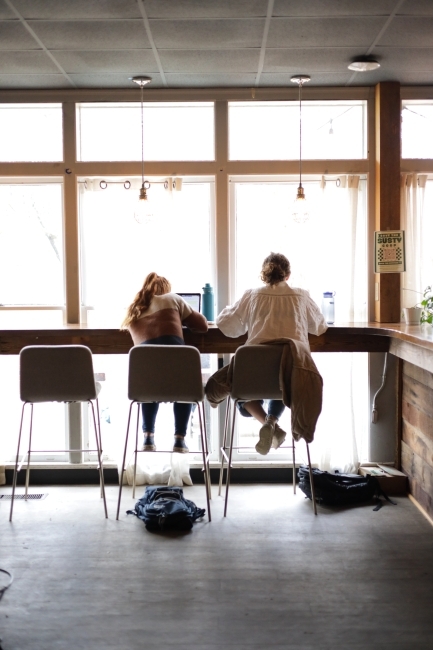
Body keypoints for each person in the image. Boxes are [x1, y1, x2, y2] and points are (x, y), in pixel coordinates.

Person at [205, 252, 327, 455]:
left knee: (238, 381)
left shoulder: (252, 295)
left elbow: (226, 325)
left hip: (252, 377)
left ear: (263, 275)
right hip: (290, 378)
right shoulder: (301, 295)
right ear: (288, 275)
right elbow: (320, 327)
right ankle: (271, 423)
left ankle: (269, 425)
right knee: (283, 372)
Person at [121, 272, 208, 453]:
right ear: (165, 290)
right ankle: (179, 439)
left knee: (150, 372)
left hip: (146, 387)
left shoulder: (132, 311)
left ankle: (148, 437)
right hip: (179, 383)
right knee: (186, 381)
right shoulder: (172, 299)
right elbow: (203, 325)